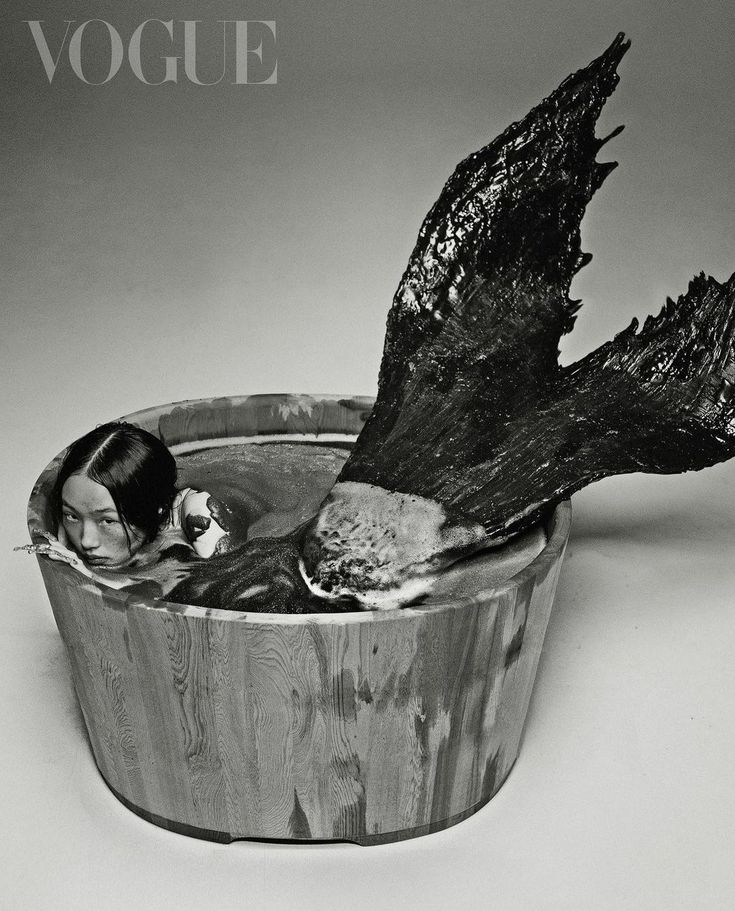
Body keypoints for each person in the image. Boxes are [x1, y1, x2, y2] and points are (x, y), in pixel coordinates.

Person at [25, 421, 230, 589]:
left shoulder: (198, 514)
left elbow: (211, 588)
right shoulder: (80, 519)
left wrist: (94, 577)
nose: (86, 541)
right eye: (72, 516)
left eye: (107, 520)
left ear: (154, 509)